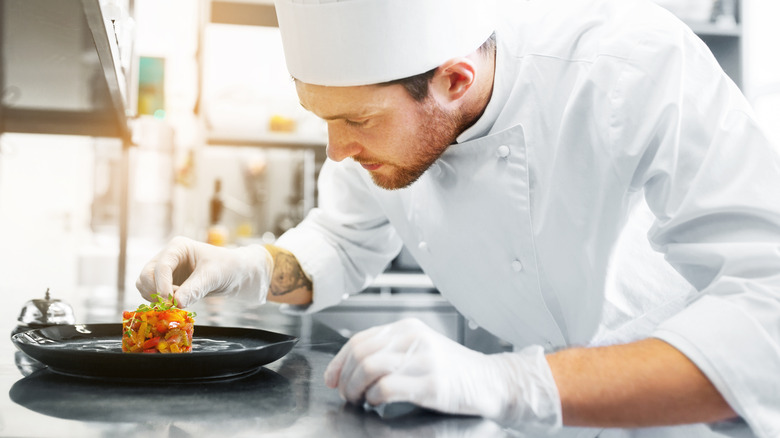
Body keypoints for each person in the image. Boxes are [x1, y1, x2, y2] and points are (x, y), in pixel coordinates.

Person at [136, 0, 780, 436]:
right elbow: (341, 240)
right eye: (323, 117)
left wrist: (506, 380)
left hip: (697, 417)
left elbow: (768, 321)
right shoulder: (391, 114)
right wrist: (245, 268)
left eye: (356, 121)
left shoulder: (631, 66)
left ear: (454, 80)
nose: (336, 149)